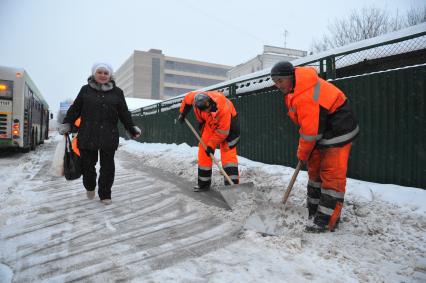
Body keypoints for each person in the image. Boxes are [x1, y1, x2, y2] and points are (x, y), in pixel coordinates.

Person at [270, 61, 359, 232]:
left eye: (280, 80)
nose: (277, 85)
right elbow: (309, 127)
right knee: (315, 169)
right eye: (275, 81)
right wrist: (307, 152)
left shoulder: (305, 93)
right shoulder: (294, 90)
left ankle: (326, 220)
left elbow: (309, 132)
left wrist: (303, 153)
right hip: (323, 129)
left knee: (332, 174)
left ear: (290, 78)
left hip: (338, 129)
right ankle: (313, 211)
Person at [59, 62, 141, 204]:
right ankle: (90, 186)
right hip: (88, 134)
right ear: (94, 74)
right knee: (88, 166)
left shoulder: (117, 92)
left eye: (105, 73)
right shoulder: (85, 90)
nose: (103, 75)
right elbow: (75, 109)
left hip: (109, 135)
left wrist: (131, 128)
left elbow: (124, 113)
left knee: (108, 167)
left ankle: (105, 194)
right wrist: (67, 123)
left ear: (110, 75)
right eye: (100, 72)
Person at [177, 91, 240, 192]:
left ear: (210, 102)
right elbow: (186, 100)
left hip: (228, 124)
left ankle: (232, 187)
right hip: (210, 123)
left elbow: (222, 133)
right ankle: (204, 184)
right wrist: (183, 113)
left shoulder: (222, 107)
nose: (207, 110)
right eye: (205, 110)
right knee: (203, 149)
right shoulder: (195, 98)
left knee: (228, 152)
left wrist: (211, 145)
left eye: (208, 108)